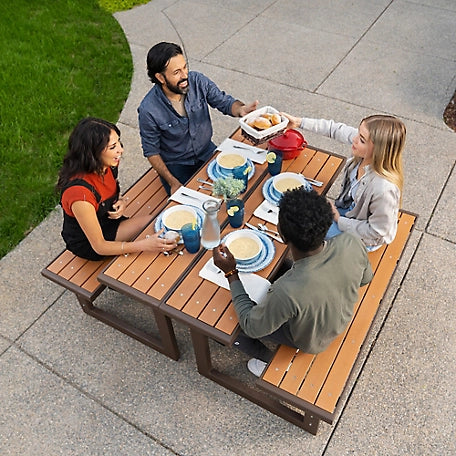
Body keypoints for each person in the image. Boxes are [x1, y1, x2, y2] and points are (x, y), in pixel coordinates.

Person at [213, 188, 373, 377]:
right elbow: (366, 278)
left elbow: (251, 325)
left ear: (281, 234)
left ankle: (268, 360)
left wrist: (231, 273)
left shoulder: (287, 291)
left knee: (226, 324)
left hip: (311, 340)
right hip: (339, 317)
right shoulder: (351, 241)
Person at [138, 42, 259, 195]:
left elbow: (224, 101)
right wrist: (173, 182)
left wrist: (241, 109)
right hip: (176, 164)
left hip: (206, 150)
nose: (184, 75)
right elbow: (151, 151)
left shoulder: (198, 81)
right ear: (160, 77)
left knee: (236, 188)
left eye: (184, 67)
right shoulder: (148, 109)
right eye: (176, 72)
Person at [57, 117, 177, 261]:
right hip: (90, 243)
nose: (121, 150)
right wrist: (144, 245)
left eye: (118, 142)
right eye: (113, 147)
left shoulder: (107, 165)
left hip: (108, 222)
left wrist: (121, 201)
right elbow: (99, 246)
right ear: (93, 153)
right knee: (146, 251)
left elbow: (109, 189)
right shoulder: (79, 194)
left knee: (158, 223)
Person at [282, 113, 406, 251]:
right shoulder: (363, 148)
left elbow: (379, 233)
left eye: (362, 140)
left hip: (363, 237)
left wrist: (338, 220)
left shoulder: (384, 189)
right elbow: (334, 129)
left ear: (379, 151)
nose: (354, 139)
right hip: (346, 213)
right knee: (301, 207)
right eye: (358, 133)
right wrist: (299, 122)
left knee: (304, 228)